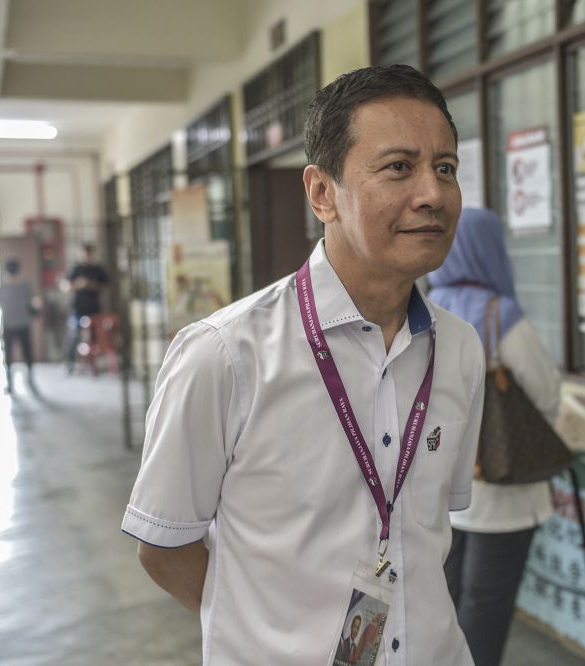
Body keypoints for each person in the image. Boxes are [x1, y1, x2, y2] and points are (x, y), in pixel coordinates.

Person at [121, 64, 485, 664]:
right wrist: (268, 634)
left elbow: (422, 534)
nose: (433, 194)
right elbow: (164, 549)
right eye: (399, 167)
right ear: (322, 193)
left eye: (444, 168)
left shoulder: (460, 348)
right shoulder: (225, 354)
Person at [428, 207, 562, 666]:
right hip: (503, 493)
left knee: (447, 598)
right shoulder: (498, 315)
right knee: (487, 605)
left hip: (440, 486)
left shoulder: (422, 308)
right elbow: (545, 395)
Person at [62, 243, 109, 372]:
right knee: (73, 336)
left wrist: (92, 285)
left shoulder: (98, 269)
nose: (86, 257)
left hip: (94, 309)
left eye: (88, 254)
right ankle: (69, 364)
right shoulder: (75, 269)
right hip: (77, 309)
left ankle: (93, 364)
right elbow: (66, 287)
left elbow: (106, 287)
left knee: (94, 339)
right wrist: (79, 284)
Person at [0, 258, 39, 391]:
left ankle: (10, 383)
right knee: (26, 353)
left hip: (9, 324)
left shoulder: (4, 287)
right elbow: (32, 305)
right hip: (22, 324)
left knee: (9, 355)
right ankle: (29, 379)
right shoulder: (25, 286)